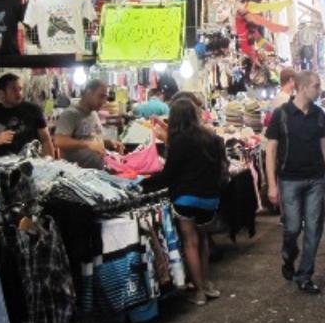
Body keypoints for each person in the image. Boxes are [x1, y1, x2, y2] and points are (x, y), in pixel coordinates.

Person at [265, 71, 325, 294]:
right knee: (291, 228)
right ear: (302, 87)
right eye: (316, 86)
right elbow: (271, 151)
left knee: (313, 229)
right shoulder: (281, 114)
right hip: (289, 180)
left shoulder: (319, 114)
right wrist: (272, 184)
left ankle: (305, 275)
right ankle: (288, 255)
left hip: (315, 180)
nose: (319, 90)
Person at [140, 99, 227, 305]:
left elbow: (169, 174)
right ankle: (206, 283)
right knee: (203, 240)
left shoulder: (179, 141)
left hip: (186, 198)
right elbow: (220, 169)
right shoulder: (210, 138)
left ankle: (198, 292)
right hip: (209, 199)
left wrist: (142, 183)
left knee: (190, 242)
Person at [0, 73, 55, 158]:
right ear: (2, 93)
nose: (19, 93)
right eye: (13, 90)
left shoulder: (34, 111)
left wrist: (50, 163)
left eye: (20, 89)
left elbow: (46, 140)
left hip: (29, 164)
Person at [53, 80, 123, 170]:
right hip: (79, 175)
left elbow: (93, 140)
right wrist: (87, 144)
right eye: (101, 96)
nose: (104, 101)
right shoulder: (70, 114)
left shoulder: (93, 113)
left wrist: (109, 142)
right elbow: (59, 141)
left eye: (105, 97)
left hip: (98, 172)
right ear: (88, 93)